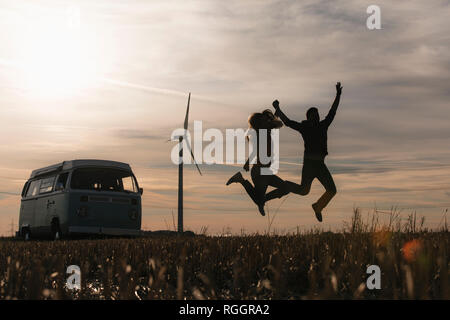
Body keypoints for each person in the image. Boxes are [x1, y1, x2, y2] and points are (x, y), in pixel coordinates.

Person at [266, 82, 343, 222]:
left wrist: (338, 95)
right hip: (309, 164)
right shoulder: (304, 128)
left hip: (320, 165)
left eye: (317, 114)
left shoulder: (323, 125)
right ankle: (286, 185)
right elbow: (288, 122)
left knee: (332, 190)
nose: (316, 117)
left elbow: (333, 111)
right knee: (304, 191)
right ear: (309, 118)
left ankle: (318, 206)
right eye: (313, 115)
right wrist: (278, 109)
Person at [226, 109, 287, 216]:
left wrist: (271, 118)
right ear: (258, 123)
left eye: (266, 120)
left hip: (265, 170)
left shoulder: (266, 131)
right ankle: (242, 181)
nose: (266, 121)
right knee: (263, 197)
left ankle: (244, 183)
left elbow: (280, 124)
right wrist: (247, 162)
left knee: (283, 188)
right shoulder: (259, 134)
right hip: (259, 171)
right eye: (263, 120)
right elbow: (256, 150)